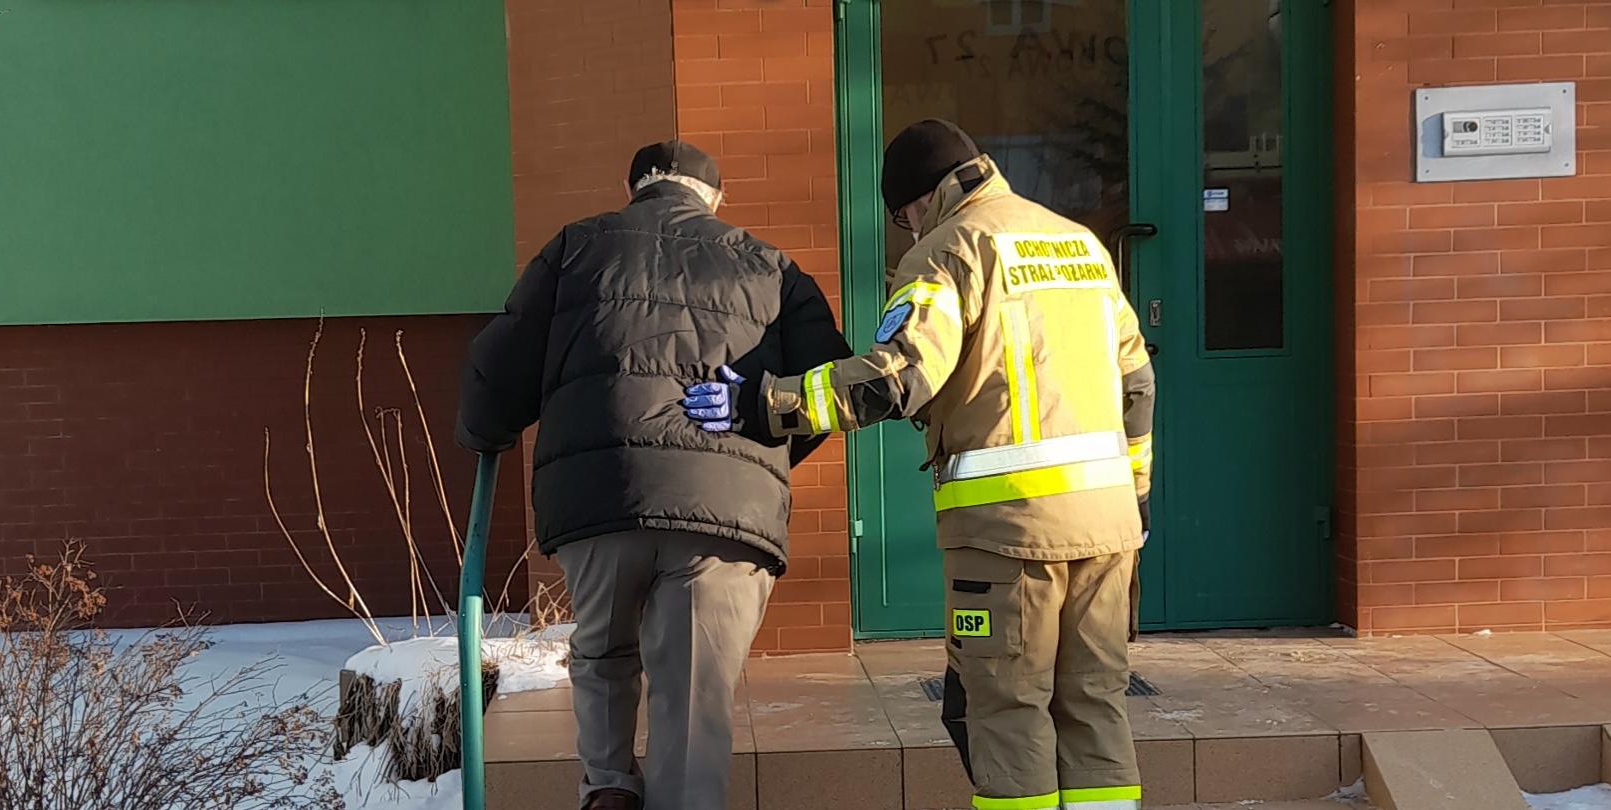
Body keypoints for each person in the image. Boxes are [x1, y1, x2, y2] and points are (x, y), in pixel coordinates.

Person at [685, 120, 1155, 810]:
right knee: (1095, 705)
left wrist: (764, 403)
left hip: (1007, 535)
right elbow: (1137, 383)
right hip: (1109, 526)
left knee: (1006, 710)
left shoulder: (951, 249)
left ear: (917, 201)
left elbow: (894, 377)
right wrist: (1135, 494)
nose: (907, 231)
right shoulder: (1077, 244)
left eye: (903, 217)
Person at [456, 141, 851, 810]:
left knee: (603, 655)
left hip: (599, 493)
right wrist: (758, 457)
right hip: (727, 512)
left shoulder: (575, 249)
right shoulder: (772, 267)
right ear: (715, 200)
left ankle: (608, 787)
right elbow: (826, 388)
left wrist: (483, 433)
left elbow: (500, 368)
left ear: (635, 188)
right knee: (693, 692)